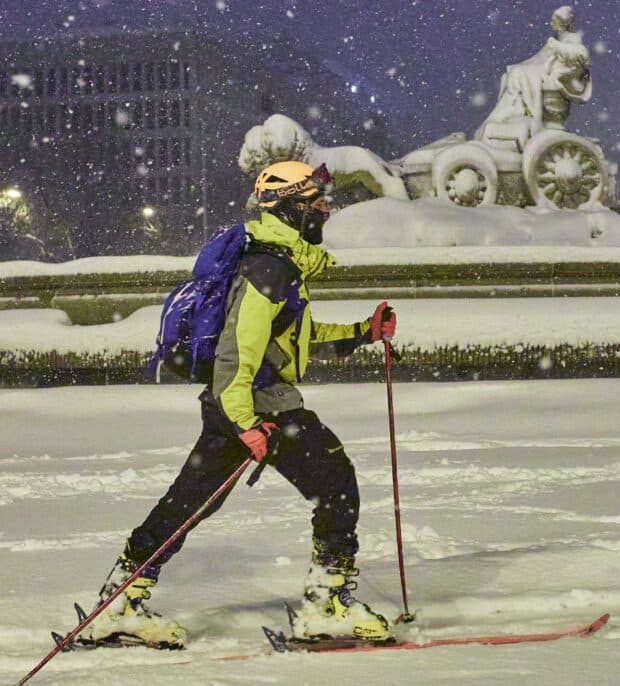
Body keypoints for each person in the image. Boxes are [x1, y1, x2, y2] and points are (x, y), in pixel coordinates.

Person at [80, 161, 396, 649]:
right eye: (315, 201)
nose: (325, 209)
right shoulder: (270, 266)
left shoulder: (278, 261)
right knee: (336, 484)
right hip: (261, 409)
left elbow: (294, 339)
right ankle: (326, 605)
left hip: (242, 407)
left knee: (186, 505)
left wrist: (362, 333)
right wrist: (246, 423)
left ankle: (118, 602)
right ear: (290, 207)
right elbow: (235, 353)